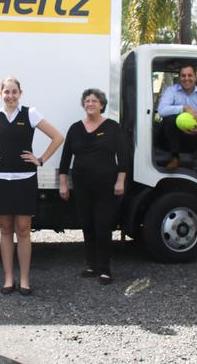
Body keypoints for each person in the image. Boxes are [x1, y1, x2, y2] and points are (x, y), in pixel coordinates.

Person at [0, 77, 64, 296]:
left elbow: (58, 137)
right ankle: (8, 279)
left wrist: (40, 160)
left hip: (25, 179)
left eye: (14, 92)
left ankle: (24, 280)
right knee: (4, 229)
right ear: (0, 93)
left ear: (20, 93)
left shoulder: (30, 113)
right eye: (7, 92)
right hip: (0, 179)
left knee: (23, 229)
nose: (10, 96)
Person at [58, 88, 128, 285]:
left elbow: (123, 157)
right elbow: (65, 159)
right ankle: (91, 265)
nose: (90, 104)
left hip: (106, 187)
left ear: (102, 105)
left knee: (102, 226)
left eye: (94, 101)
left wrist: (120, 180)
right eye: (87, 101)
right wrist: (63, 184)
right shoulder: (75, 129)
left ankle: (105, 270)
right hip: (82, 186)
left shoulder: (112, 127)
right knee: (87, 225)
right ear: (83, 104)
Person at [157, 64, 197, 192]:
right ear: (179, 77)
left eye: (189, 75)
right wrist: (183, 108)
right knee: (170, 119)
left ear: (195, 77)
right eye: (183, 75)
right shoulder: (171, 91)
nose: (186, 78)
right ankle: (175, 158)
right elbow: (162, 111)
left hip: (192, 136)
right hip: (169, 139)